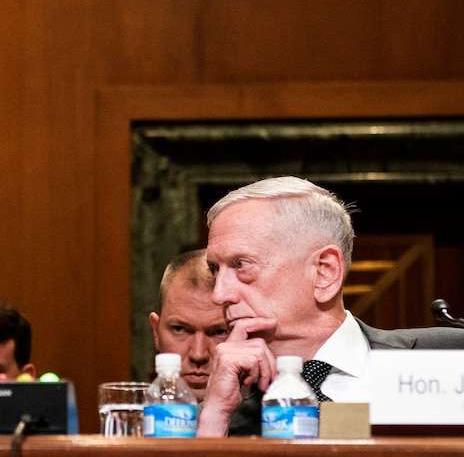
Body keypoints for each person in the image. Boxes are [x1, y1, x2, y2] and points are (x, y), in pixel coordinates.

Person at [197, 175, 464, 437]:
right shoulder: (209, 415)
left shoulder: (451, 358)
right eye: (214, 269)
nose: (219, 294)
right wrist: (216, 418)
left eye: (241, 265)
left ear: (325, 272)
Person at [148, 249, 228, 402]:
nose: (198, 354)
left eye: (219, 332)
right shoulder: (132, 421)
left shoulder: (274, 415)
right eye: (180, 329)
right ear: (156, 332)